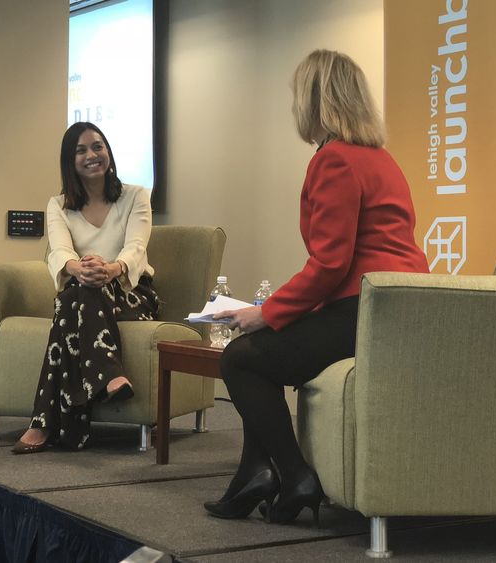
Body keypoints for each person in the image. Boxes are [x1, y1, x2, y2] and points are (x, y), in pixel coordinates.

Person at [203, 49, 430, 524]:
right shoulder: (379, 158)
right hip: (392, 307)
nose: (293, 107)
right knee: (261, 353)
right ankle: (253, 475)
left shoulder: (335, 160)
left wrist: (266, 311)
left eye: (295, 96)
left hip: (364, 311)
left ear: (313, 99)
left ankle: (295, 475)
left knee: (240, 358)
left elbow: (330, 263)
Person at [11, 122, 158, 454]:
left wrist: (111, 268)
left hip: (133, 293)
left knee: (73, 300)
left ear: (108, 152)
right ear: (70, 160)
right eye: (81, 150)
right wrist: (78, 267)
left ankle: (43, 423)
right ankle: (109, 375)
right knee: (77, 294)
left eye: (98, 146)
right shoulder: (59, 205)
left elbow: (136, 247)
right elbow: (60, 251)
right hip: (85, 289)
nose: (92, 155)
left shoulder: (135, 196)